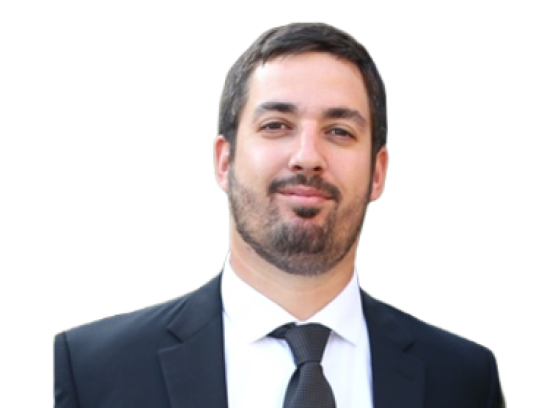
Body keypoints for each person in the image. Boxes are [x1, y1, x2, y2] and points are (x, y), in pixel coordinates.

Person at [53, 21, 506, 408]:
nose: (307, 157)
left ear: (378, 172)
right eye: (276, 126)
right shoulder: (89, 371)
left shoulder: (465, 378)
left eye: (339, 131)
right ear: (224, 161)